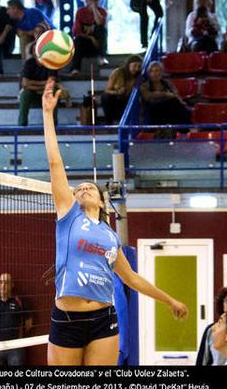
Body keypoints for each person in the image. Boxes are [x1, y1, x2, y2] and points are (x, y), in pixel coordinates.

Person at [42, 77, 188, 365]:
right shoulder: (68, 216)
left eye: (89, 188)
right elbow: (55, 163)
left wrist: (169, 300)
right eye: (78, 188)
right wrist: (48, 114)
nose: (82, 188)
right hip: (67, 317)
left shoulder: (109, 236)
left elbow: (131, 278)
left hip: (103, 317)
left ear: (100, 200)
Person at [0, 273, 31, 366]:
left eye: (6, 283)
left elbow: (28, 323)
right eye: (0, 282)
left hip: (15, 347)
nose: (3, 285)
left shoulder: (19, 302)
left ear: (11, 285)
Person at [139, 61, 190, 135]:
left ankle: (182, 131)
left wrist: (178, 100)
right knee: (173, 103)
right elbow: (148, 97)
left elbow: (175, 94)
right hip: (154, 110)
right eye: (151, 71)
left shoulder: (167, 83)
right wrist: (165, 94)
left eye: (157, 70)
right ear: (148, 73)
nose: (154, 74)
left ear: (161, 72)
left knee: (180, 106)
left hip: (168, 109)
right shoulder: (145, 85)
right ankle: (181, 130)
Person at [70, 0, 108, 75]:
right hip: (84, 44)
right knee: (78, 40)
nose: (93, 1)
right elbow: (77, 32)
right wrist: (91, 38)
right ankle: (75, 69)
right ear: (86, 1)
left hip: (97, 45)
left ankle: (101, 57)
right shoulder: (81, 12)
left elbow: (100, 23)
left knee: (102, 30)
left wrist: (94, 9)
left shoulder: (102, 11)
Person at [18, 47, 59, 126]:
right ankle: (22, 125)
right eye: (36, 49)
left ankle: (53, 125)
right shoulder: (29, 63)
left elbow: (51, 83)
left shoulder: (51, 62)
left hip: (46, 92)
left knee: (52, 92)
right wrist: (43, 84)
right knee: (25, 95)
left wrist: (31, 83)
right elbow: (24, 84)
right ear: (33, 52)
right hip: (33, 93)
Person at [102, 55, 142, 125]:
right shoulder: (117, 72)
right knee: (105, 97)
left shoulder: (139, 76)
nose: (136, 68)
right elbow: (107, 90)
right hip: (115, 98)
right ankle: (108, 122)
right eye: (134, 66)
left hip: (128, 99)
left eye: (139, 66)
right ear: (128, 65)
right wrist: (117, 92)